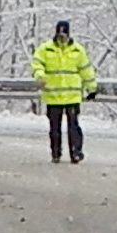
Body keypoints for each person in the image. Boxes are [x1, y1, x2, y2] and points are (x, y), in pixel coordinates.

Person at [32, 19, 93, 162]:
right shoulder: (46, 49)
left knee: (74, 126)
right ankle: (56, 153)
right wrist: (40, 75)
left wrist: (91, 87)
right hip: (53, 94)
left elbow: (86, 69)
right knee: (55, 128)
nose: (62, 37)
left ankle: (76, 152)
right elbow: (37, 63)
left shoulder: (77, 50)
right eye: (60, 34)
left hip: (72, 96)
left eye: (64, 33)